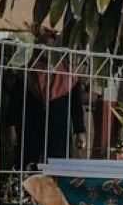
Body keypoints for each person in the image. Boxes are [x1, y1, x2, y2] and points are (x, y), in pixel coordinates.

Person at [9, 28, 88, 169]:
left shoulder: (69, 76)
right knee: (27, 164)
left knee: (56, 166)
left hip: (59, 129)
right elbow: (15, 102)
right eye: (44, 46)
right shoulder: (27, 73)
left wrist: (79, 130)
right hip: (30, 128)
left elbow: (76, 105)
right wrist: (12, 127)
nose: (47, 51)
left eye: (52, 47)